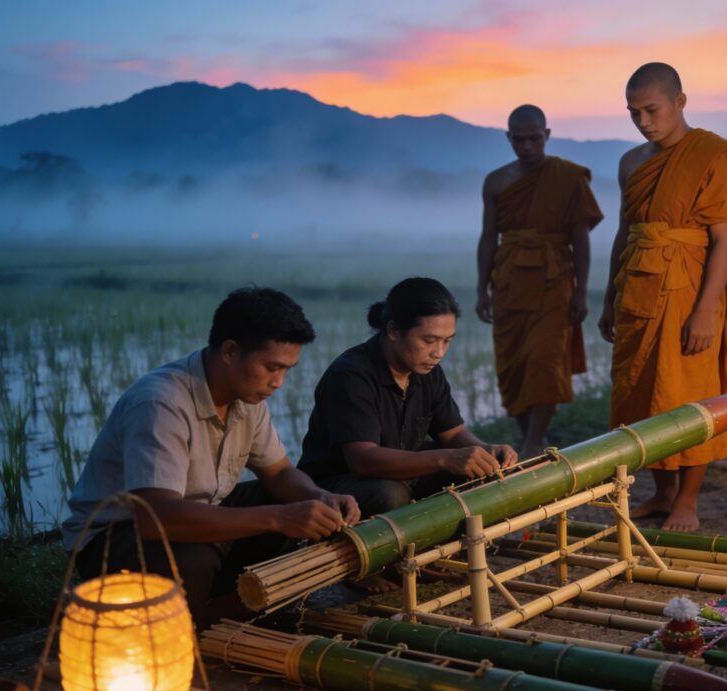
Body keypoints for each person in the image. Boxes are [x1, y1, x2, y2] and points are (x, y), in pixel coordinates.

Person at [62, 287, 360, 625]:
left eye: (288, 370)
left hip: (196, 516)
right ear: (231, 351)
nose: (279, 382)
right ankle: (194, 619)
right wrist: (279, 517)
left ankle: (219, 602)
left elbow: (278, 474)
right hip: (118, 538)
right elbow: (155, 518)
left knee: (287, 502)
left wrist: (323, 498)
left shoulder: (249, 400)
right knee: (200, 553)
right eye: (272, 367)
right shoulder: (161, 402)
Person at [597, 62, 727, 533]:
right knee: (642, 392)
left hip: (689, 289)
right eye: (634, 112)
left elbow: (724, 239)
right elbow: (625, 232)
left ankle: (688, 500)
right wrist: (609, 296)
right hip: (638, 286)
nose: (644, 120)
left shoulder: (712, 155)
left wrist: (705, 310)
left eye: (652, 109)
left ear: (680, 102)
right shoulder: (631, 162)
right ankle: (662, 493)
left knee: (689, 395)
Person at [299, 277, 517, 519]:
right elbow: (363, 461)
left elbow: (453, 434)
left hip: (403, 474)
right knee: (389, 494)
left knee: (477, 470)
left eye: (447, 341)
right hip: (339, 484)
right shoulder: (351, 375)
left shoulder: (428, 371)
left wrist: (486, 450)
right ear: (393, 331)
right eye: (429, 340)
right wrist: (445, 458)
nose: (439, 353)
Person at [477, 105, 603, 458]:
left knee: (545, 360)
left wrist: (581, 291)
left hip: (555, 279)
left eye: (535, 138)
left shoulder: (568, 177)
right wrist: (480, 288)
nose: (528, 146)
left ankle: (534, 440)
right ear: (509, 139)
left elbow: (581, 237)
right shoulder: (496, 181)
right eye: (520, 140)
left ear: (547, 135)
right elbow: (488, 236)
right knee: (513, 363)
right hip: (509, 280)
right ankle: (527, 435)